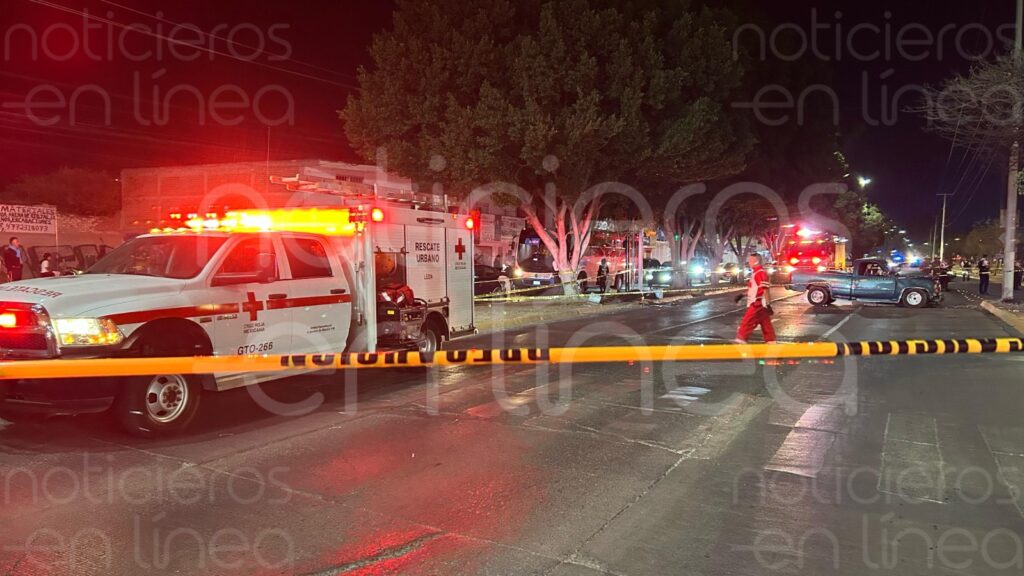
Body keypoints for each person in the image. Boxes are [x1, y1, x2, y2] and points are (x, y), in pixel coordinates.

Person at [735, 253, 776, 344]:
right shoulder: (757, 273)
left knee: (747, 321)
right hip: (761, 303)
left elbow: (765, 289)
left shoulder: (759, 273)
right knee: (765, 324)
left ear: (756, 261)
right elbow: (754, 289)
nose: (748, 262)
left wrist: (768, 304)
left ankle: (740, 340)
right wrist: (742, 295)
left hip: (757, 303)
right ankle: (771, 342)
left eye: (750, 261)